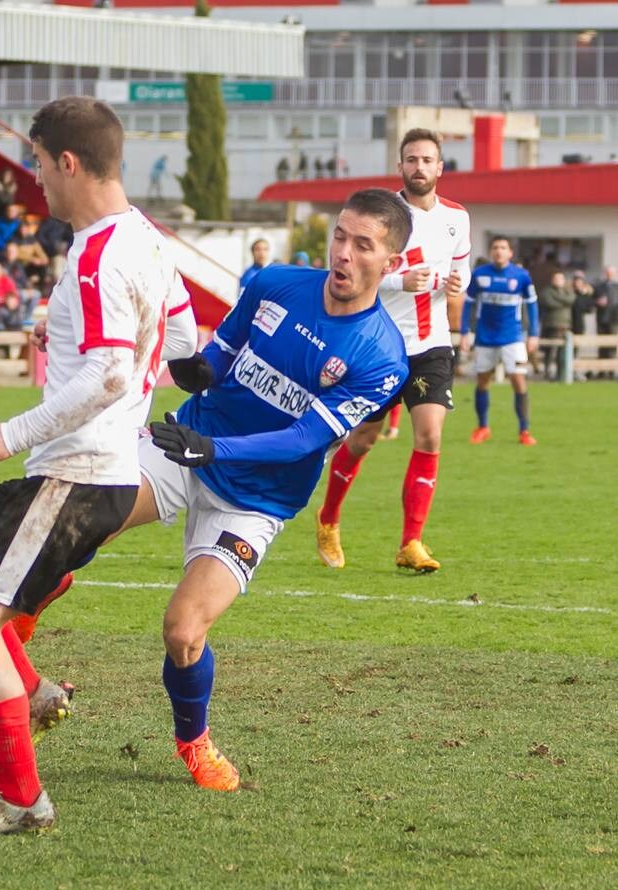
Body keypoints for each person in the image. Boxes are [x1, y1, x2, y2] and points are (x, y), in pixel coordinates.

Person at [0, 96, 199, 834]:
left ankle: (21, 802)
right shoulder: (149, 241)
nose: (34, 177)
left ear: (68, 162)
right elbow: (185, 340)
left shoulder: (101, 251)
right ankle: (30, 692)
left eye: (36, 161)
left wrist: (9, 430)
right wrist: (68, 331)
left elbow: (106, 375)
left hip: (82, 472)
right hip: (79, 467)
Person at [114, 189, 410, 794]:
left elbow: (303, 438)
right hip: (186, 446)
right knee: (88, 515)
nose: (344, 254)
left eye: (364, 245)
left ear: (392, 264)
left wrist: (213, 450)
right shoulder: (273, 282)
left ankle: (193, 742)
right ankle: (19, 636)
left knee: (183, 630)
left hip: (255, 500)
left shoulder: (382, 359)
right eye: (340, 236)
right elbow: (220, 357)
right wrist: (199, 370)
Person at [316, 128, 470, 573]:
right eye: (411, 160)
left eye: (427, 160)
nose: (419, 167)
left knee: (430, 435)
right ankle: (328, 518)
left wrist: (460, 287)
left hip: (431, 344)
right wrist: (399, 281)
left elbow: (461, 273)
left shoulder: (457, 218)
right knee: (363, 439)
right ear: (400, 166)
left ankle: (412, 543)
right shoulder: (382, 214)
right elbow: (348, 276)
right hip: (381, 344)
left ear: (440, 168)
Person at [461, 235, 539, 445]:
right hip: (485, 338)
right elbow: (467, 303)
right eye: (495, 247)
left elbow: (532, 304)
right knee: (483, 381)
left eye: (503, 248)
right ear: (491, 252)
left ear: (510, 253)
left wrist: (533, 334)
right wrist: (465, 331)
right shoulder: (478, 275)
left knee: (518, 381)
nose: (498, 251)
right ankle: (483, 427)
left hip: (513, 338)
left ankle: (524, 431)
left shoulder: (521, 276)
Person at [538, 270, 574, 379]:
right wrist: (564, 303)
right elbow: (550, 303)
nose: (558, 281)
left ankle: (561, 373)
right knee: (549, 350)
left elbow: (571, 299)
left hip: (565, 325)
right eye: (556, 279)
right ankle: (547, 372)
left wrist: (559, 299)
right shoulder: (547, 291)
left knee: (562, 352)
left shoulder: (567, 291)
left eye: (560, 279)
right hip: (551, 325)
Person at [592, 266, 618, 367]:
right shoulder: (599, 287)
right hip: (601, 319)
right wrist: (597, 302)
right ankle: (601, 370)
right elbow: (591, 302)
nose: (609, 275)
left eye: (611, 273)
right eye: (608, 273)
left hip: (614, 320)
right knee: (601, 344)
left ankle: (611, 369)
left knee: (612, 345)